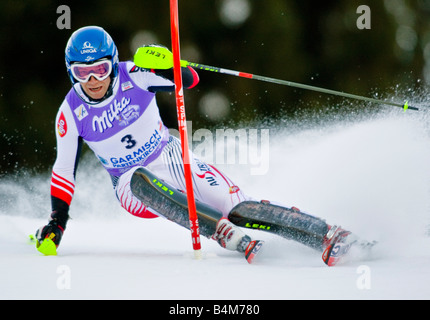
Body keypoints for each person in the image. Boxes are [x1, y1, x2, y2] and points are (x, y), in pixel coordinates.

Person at [35, 26, 360, 266]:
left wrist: (167, 65)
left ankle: (328, 234)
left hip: (170, 154)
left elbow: (189, 80)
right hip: (129, 184)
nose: (93, 80)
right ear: (71, 73)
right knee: (138, 178)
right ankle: (219, 231)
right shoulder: (70, 112)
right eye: (82, 73)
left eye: (100, 69)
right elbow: (64, 170)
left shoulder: (134, 74)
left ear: (113, 63)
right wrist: (57, 221)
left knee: (238, 208)